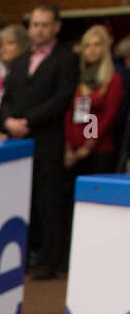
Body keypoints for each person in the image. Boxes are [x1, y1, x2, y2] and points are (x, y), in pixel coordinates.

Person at [0, 2, 79, 280]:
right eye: (34, 24)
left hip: (48, 141)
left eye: (44, 24)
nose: (39, 30)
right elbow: (5, 98)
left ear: (56, 27)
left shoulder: (65, 59)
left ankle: (48, 260)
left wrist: (27, 121)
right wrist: (8, 120)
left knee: (48, 202)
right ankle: (23, 256)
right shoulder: (19, 62)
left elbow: (62, 99)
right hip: (17, 143)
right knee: (22, 200)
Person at [61, 24, 124, 260]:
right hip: (74, 151)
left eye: (97, 45)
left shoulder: (113, 79)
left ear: (105, 48)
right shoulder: (78, 80)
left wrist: (87, 146)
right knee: (71, 204)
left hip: (100, 152)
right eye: (87, 45)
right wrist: (69, 147)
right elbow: (70, 115)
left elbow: (107, 118)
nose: (92, 50)